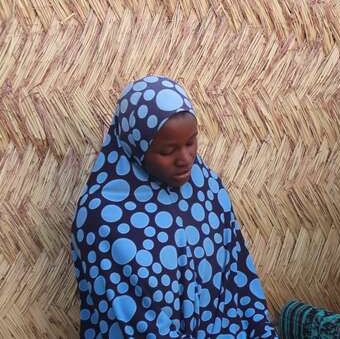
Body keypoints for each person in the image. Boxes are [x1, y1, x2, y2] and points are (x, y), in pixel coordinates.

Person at [71, 75, 278, 338]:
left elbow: (239, 278)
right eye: (168, 151)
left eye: (191, 142)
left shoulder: (208, 189)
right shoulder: (104, 218)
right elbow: (135, 324)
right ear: (137, 147)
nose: (186, 159)